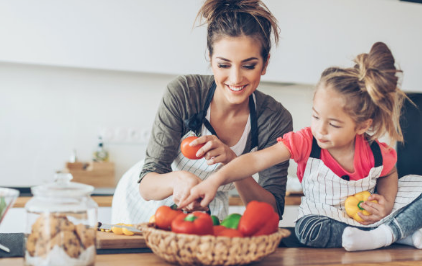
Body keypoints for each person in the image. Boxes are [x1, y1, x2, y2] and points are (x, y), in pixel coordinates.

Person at [181, 42, 422, 251]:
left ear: (362, 126)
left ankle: (383, 235)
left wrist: (386, 202)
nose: (320, 130)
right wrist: (214, 180)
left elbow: (389, 172)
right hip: (324, 220)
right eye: (316, 117)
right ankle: (395, 234)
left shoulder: (375, 151)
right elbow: (255, 161)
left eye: (334, 124)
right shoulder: (306, 141)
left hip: (368, 220)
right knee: (307, 231)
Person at [111, 0, 293, 224]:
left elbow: (272, 212)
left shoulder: (274, 119)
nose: (235, 79)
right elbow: (147, 185)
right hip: (144, 205)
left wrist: (232, 163)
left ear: (265, 64)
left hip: (207, 212)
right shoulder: (185, 92)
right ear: (210, 59)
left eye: (248, 65)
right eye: (224, 65)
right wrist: (178, 179)